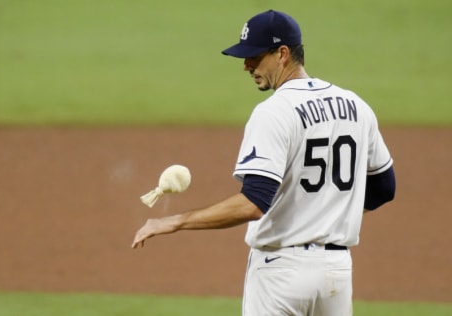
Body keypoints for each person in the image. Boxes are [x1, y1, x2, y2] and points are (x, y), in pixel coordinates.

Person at [132, 9, 395, 316]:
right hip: (336, 275)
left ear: (282, 54)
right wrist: (327, 210)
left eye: (254, 57)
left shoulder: (274, 112)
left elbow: (253, 203)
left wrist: (173, 221)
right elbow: (384, 187)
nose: (246, 66)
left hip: (280, 274)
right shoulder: (356, 106)